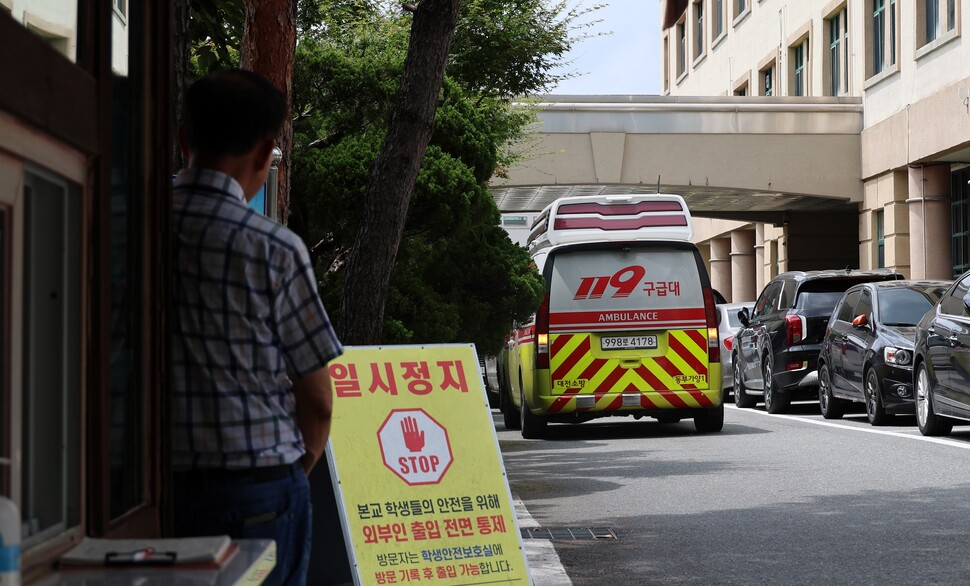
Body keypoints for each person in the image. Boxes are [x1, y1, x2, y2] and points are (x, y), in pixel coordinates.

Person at [171, 69, 343, 586]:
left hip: (129, 488)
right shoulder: (273, 248)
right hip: (255, 493)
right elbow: (317, 400)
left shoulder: (114, 222)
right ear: (268, 151)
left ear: (183, 140)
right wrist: (291, 475)